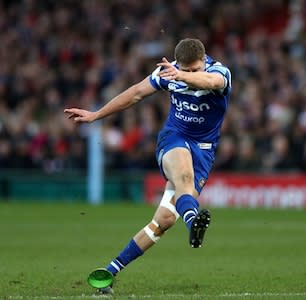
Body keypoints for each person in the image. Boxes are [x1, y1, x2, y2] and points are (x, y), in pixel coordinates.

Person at [64, 38, 232, 294]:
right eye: (184, 70)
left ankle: (109, 272)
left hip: (204, 151)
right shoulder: (168, 71)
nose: (188, 75)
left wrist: (183, 77)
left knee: (163, 220)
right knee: (184, 178)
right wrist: (96, 115)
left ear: (204, 61)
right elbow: (136, 93)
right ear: (179, 63)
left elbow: (210, 82)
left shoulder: (219, 72)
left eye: (194, 70)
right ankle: (193, 223)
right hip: (174, 139)